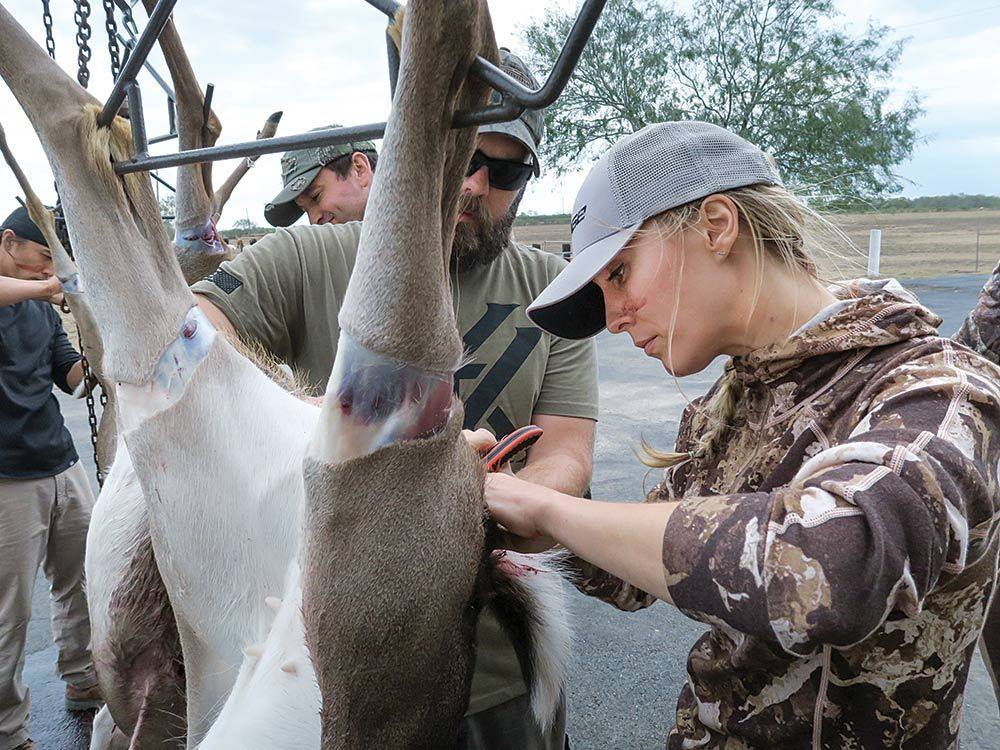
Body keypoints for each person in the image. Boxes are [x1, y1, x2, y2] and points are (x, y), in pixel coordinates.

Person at [481, 121, 1000, 748]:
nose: (613, 317)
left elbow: (830, 571)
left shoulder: (938, 394)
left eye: (619, 274)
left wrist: (551, 509)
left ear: (716, 226)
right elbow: (633, 573)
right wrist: (511, 507)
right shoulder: (726, 408)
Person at [192, 50, 597, 750]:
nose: (474, 185)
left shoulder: (551, 290)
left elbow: (567, 450)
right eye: (464, 155)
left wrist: (504, 502)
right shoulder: (320, 255)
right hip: (333, 663)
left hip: (502, 663)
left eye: (504, 172)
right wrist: (334, 443)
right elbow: (194, 343)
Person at [0, 207, 103, 750]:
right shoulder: (24, 294)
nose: (48, 273)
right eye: (43, 259)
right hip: (7, 477)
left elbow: (71, 375)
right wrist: (43, 289)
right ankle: (8, 732)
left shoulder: (38, 309)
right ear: (9, 241)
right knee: (9, 613)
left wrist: (98, 349)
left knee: (79, 580)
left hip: (61, 463)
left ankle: (83, 678)